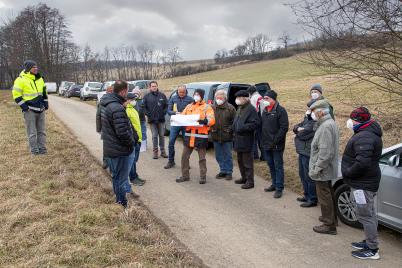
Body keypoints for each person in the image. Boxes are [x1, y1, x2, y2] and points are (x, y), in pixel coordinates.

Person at [341, 107, 383, 260]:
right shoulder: (366, 133)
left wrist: (348, 172)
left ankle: (372, 249)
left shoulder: (364, 137)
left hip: (363, 184)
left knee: (366, 215)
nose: (349, 122)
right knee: (368, 213)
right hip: (364, 182)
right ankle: (369, 241)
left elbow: (362, 163)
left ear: (358, 121)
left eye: (352, 119)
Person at [99, 80, 138, 208]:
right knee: (121, 179)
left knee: (116, 177)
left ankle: (118, 202)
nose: (127, 94)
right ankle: (122, 204)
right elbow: (122, 132)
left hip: (110, 147)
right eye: (127, 91)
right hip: (119, 150)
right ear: (123, 91)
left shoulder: (107, 103)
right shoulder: (117, 107)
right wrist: (131, 143)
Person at [309, 99, 339, 235]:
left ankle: (329, 224)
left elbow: (325, 152)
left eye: (314, 111)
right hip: (326, 167)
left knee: (324, 195)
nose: (312, 114)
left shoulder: (326, 126)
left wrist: (317, 168)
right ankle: (332, 219)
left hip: (323, 168)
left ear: (321, 112)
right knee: (328, 192)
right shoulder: (327, 123)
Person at [176, 89, 215, 184]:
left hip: (201, 136)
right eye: (195, 94)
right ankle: (185, 176)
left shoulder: (207, 107)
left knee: (202, 158)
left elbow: (212, 119)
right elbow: (183, 116)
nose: (196, 96)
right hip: (189, 136)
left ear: (202, 96)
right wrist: (177, 117)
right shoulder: (189, 106)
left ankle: (203, 177)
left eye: (198, 94)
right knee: (184, 157)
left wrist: (205, 121)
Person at [12, 60, 48, 155]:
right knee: (32, 133)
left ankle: (42, 150)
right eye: (33, 67)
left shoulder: (40, 78)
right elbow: (16, 95)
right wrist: (25, 107)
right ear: (28, 68)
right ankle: (34, 151)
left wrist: (45, 103)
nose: (36, 68)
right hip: (29, 110)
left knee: (42, 132)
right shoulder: (20, 80)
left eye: (36, 67)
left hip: (41, 109)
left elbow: (44, 92)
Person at [261, 90, 289, 198]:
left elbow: (284, 128)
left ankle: (279, 188)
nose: (265, 100)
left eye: (267, 98)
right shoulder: (265, 110)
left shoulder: (281, 111)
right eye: (264, 98)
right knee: (270, 165)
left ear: (273, 99)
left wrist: (275, 140)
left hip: (277, 145)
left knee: (278, 166)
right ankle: (274, 183)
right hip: (266, 144)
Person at [233, 90, 260, 189]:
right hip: (238, 139)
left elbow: (255, 123)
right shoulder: (240, 108)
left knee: (247, 162)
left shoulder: (251, 109)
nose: (237, 100)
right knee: (240, 160)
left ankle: (250, 181)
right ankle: (244, 178)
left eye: (239, 98)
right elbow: (236, 121)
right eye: (237, 98)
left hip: (246, 139)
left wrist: (243, 127)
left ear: (245, 98)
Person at [293, 100, 318, 207]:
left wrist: (299, 130)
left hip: (308, 152)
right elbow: (296, 127)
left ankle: (312, 198)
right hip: (302, 151)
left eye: (310, 109)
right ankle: (306, 194)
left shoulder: (315, 122)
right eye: (308, 108)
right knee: (302, 174)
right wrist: (298, 128)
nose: (308, 110)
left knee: (309, 176)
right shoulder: (307, 119)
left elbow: (302, 133)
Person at [164, 85, 193, 169]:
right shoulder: (173, 98)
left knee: (186, 144)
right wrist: (176, 113)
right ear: (177, 91)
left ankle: (186, 163)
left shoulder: (190, 99)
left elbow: (193, 111)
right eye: (180, 92)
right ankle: (171, 161)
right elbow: (168, 111)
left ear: (186, 91)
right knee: (171, 142)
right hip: (175, 123)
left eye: (183, 92)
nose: (181, 94)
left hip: (185, 124)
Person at [211, 90, 236, 180]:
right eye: (217, 98)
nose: (219, 99)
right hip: (215, 135)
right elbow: (209, 120)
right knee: (218, 155)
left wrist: (230, 130)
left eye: (220, 98)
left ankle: (229, 172)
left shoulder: (230, 108)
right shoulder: (212, 108)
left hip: (227, 136)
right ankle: (223, 170)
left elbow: (234, 122)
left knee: (228, 155)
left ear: (225, 98)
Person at [143, 80, 168, 159]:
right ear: (150, 87)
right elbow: (143, 107)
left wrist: (163, 113)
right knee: (154, 136)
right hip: (152, 120)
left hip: (161, 120)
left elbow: (166, 106)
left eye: (155, 86)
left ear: (157, 86)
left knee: (161, 135)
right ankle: (155, 152)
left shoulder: (162, 95)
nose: (154, 87)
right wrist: (148, 114)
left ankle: (163, 152)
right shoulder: (146, 96)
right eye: (152, 86)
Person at [125, 93, 146, 187]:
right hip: (133, 138)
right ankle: (132, 178)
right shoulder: (126, 111)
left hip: (138, 138)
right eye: (133, 99)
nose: (134, 101)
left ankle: (135, 176)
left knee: (134, 160)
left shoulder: (133, 109)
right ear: (128, 100)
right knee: (132, 160)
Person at [97, 85, 114, 169]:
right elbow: (98, 115)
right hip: (105, 127)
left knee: (113, 146)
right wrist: (98, 128)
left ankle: (111, 163)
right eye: (109, 91)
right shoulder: (102, 101)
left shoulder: (116, 101)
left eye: (112, 91)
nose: (111, 92)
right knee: (106, 145)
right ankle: (105, 161)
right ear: (107, 92)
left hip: (114, 127)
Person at [248, 86, 263, 160]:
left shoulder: (253, 98)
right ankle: (263, 155)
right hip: (261, 119)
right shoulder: (260, 96)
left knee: (253, 138)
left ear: (251, 92)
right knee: (260, 138)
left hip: (255, 119)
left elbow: (254, 110)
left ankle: (255, 155)